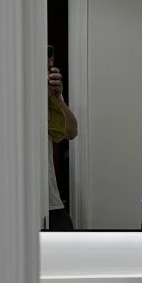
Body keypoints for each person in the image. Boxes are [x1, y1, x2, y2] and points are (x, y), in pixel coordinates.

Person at [47, 56, 78, 231]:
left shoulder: (47, 94)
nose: (49, 64)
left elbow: (72, 132)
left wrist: (57, 98)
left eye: (50, 59)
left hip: (49, 199)